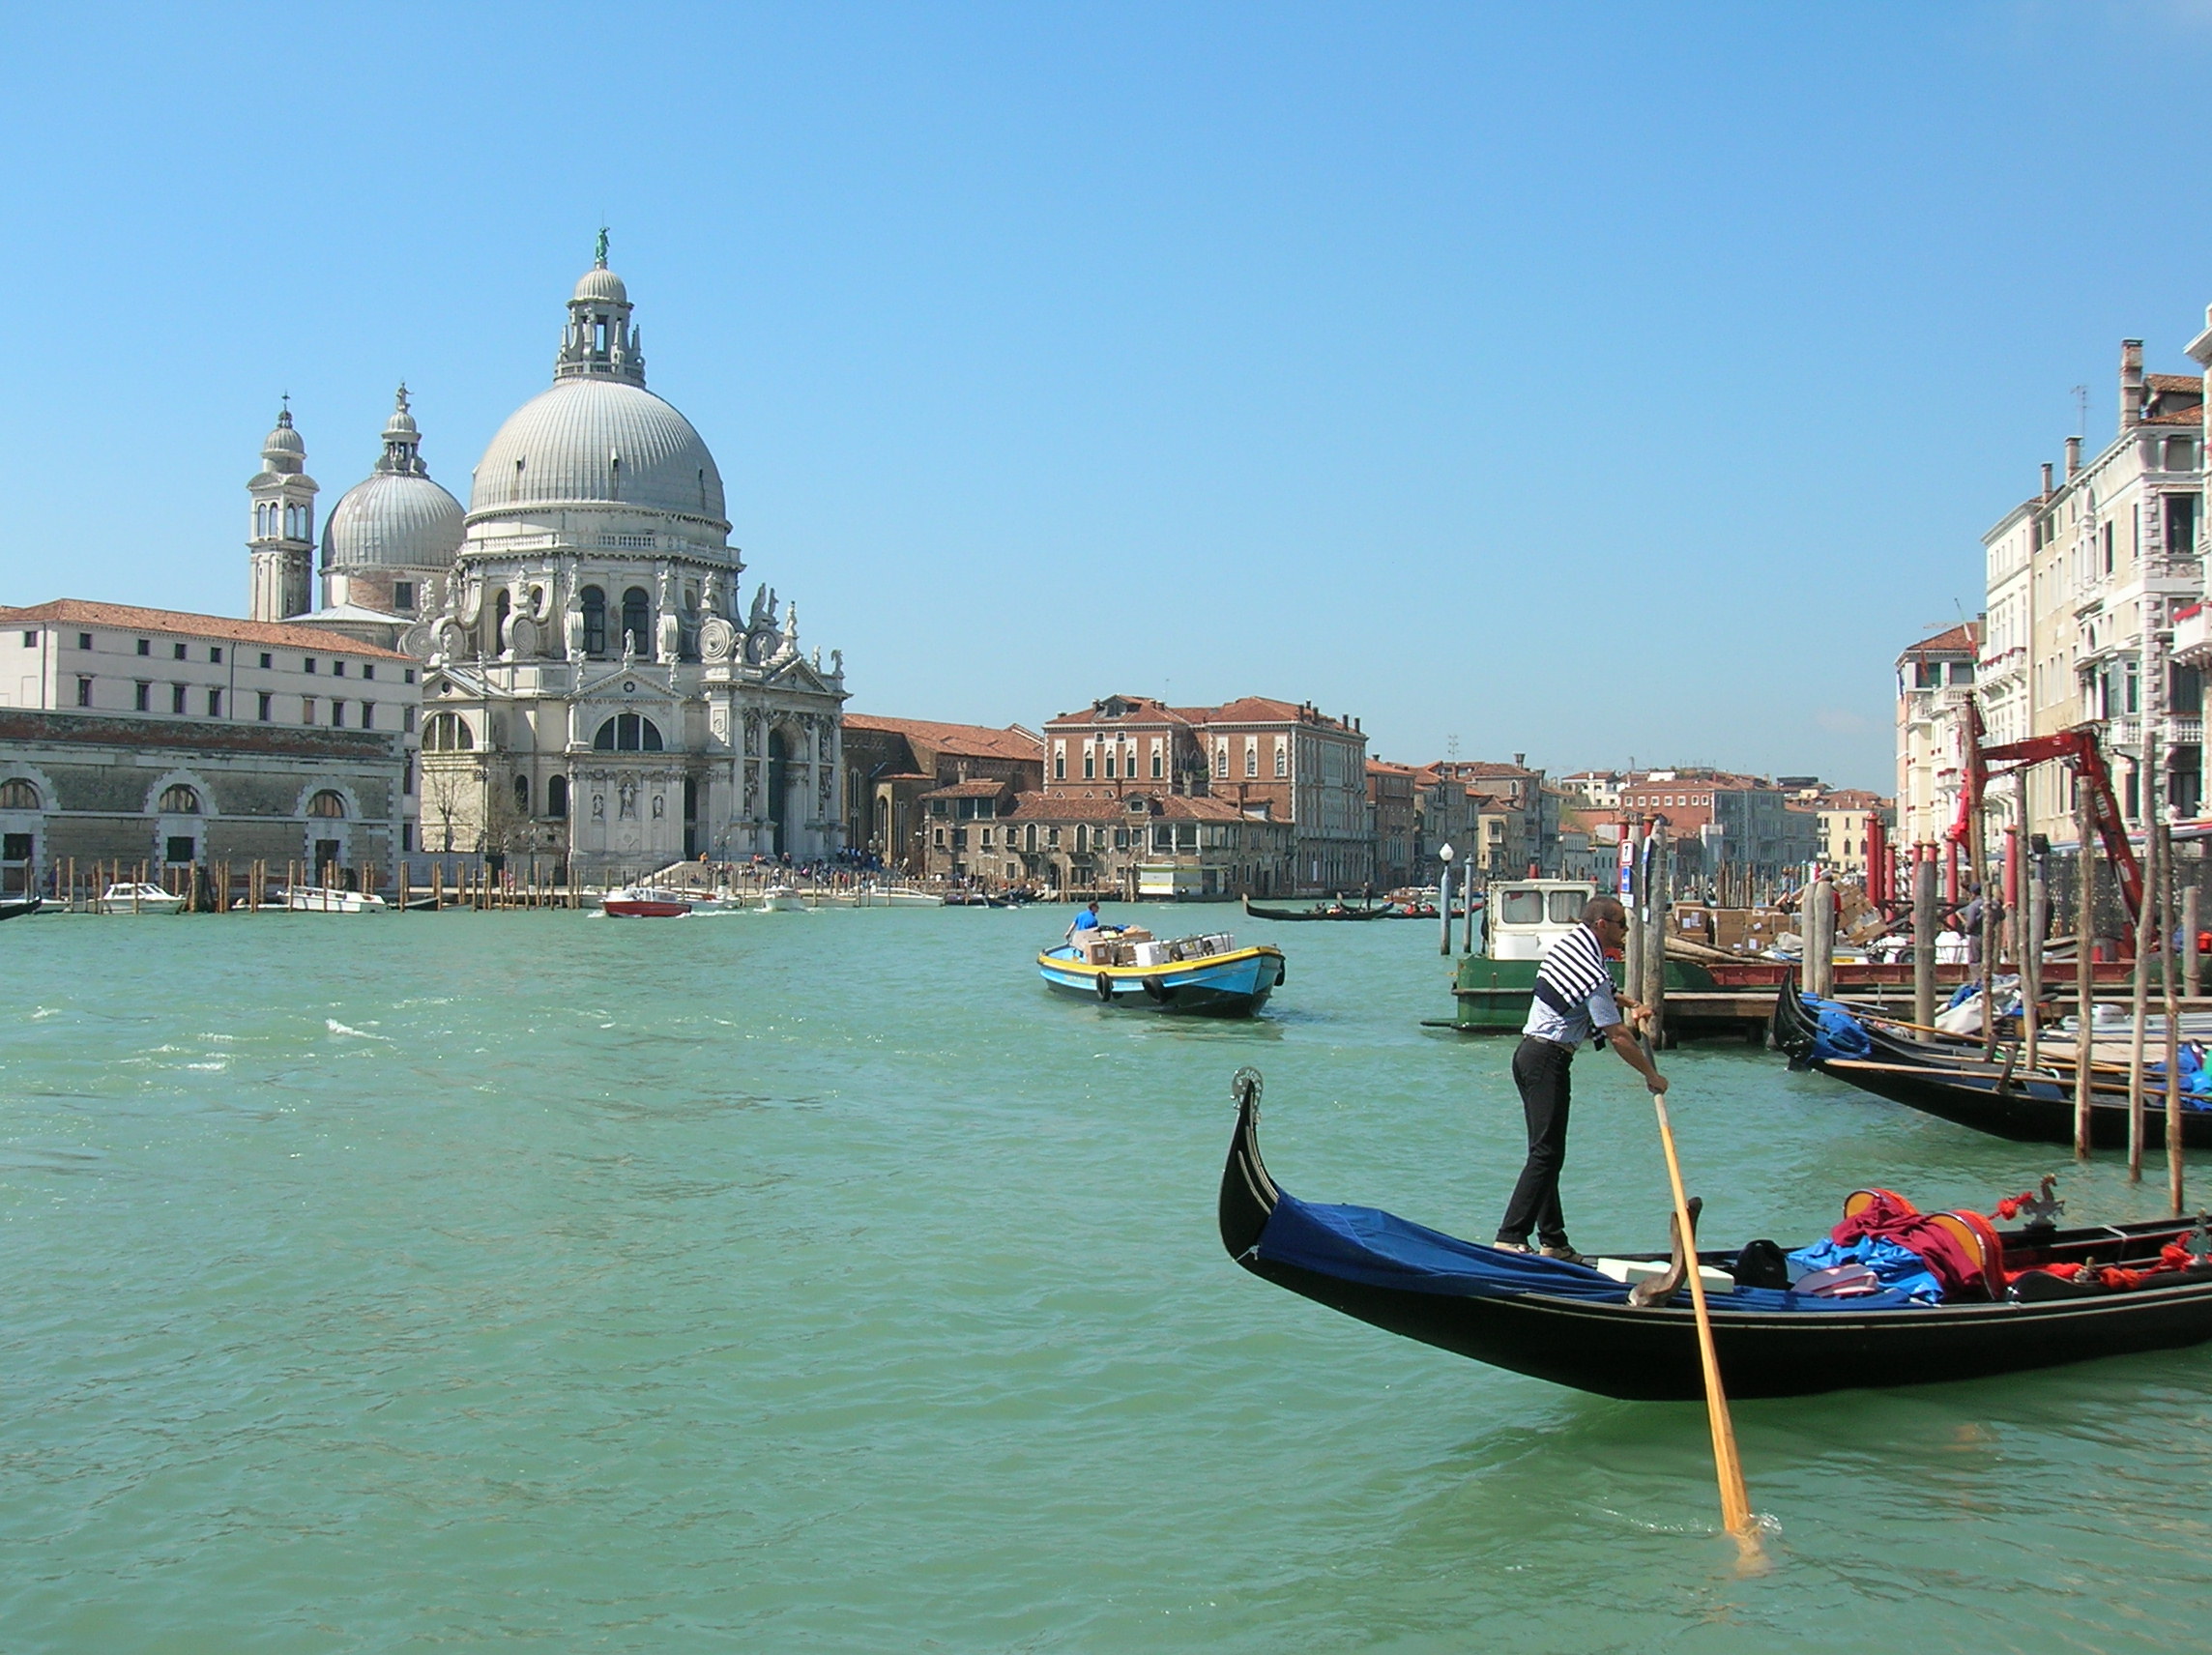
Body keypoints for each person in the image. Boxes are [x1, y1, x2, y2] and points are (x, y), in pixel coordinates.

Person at [1495, 894, 1667, 1263]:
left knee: (1545, 1153)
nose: (1625, 931)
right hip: (1546, 1059)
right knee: (1546, 1153)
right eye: (1622, 924)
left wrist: (1630, 1002)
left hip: (1531, 1057)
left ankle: (1553, 1240)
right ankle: (1510, 1236)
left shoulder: (1574, 946)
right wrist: (1651, 1075)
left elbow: (1593, 992)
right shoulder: (1590, 967)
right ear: (1602, 924)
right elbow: (1617, 1034)